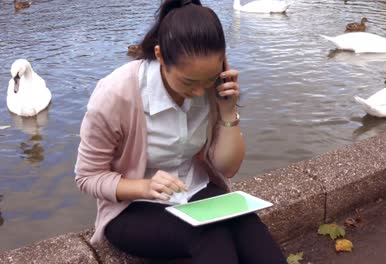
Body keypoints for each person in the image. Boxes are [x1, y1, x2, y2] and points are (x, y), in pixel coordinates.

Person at [74, 0, 287, 263]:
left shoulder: (215, 85)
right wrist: (144, 186)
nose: (200, 92)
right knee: (210, 239)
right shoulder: (115, 95)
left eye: (208, 80)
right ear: (161, 56)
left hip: (196, 190)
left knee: (254, 236)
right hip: (133, 207)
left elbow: (228, 168)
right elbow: (87, 177)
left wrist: (228, 112)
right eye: (188, 82)